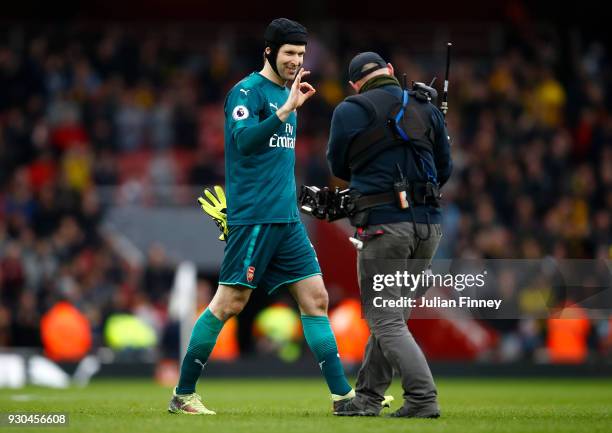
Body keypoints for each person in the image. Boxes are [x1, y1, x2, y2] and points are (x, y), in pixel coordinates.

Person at [168, 18, 354, 415]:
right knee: (229, 302)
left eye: (301, 55)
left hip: (287, 220)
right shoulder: (247, 92)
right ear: (269, 51)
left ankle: (344, 398)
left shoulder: (291, 95)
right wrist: (284, 110)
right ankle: (183, 394)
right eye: (289, 53)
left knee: (316, 299)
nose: (296, 61)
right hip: (254, 217)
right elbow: (243, 142)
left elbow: (276, 164)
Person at [328, 52, 452, 418]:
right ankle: (367, 398)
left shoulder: (349, 110)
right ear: (391, 72)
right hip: (429, 227)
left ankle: (422, 398)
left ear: (355, 84)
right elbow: (445, 168)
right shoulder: (426, 108)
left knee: (384, 318)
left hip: (385, 225)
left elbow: (338, 166)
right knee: (393, 315)